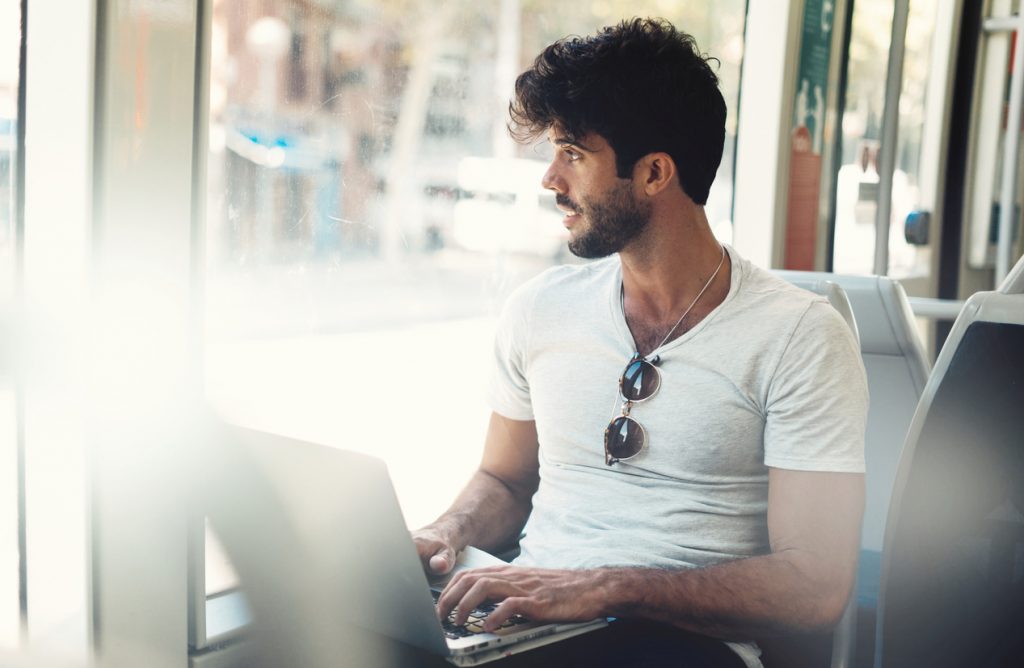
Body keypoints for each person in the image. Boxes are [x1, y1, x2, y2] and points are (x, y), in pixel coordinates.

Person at [413, 17, 868, 668]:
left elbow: (815, 586)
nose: (549, 179)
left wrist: (598, 588)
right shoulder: (539, 309)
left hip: (683, 646)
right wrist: (444, 532)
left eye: (572, 153)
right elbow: (505, 480)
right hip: (525, 624)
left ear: (654, 173)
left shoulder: (801, 337)